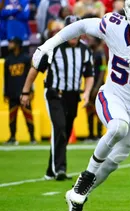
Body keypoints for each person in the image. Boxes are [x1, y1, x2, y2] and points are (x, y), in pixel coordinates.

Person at [30, 0, 130, 211]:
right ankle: (83, 181)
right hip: (111, 96)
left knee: (111, 164)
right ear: (129, 11)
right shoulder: (114, 25)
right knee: (119, 126)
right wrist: (47, 46)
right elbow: (79, 27)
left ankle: (78, 198)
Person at [21, 16, 94, 181]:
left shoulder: (85, 50)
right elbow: (35, 69)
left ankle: (50, 170)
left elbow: (89, 75)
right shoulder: (53, 47)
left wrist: (87, 93)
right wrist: (25, 91)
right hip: (55, 93)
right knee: (59, 128)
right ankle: (60, 169)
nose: (74, 35)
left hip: (73, 95)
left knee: (65, 133)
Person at [3, 37, 35, 145]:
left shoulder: (26, 59)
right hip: (12, 93)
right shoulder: (8, 60)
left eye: (11, 43)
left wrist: (31, 91)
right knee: (11, 117)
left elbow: (31, 76)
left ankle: (32, 137)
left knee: (29, 116)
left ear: (17, 44)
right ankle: (12, 137)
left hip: (24, 94)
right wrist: (5, 93)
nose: (9, 44)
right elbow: (5, 78)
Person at [85, 34, 106, 142]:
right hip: (90, 85)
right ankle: (90, 134)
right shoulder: (89, 52)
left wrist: (97, 87)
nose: (89, 41)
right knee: (89, 110)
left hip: (98, 85)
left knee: (98, 111)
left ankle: (99, 134)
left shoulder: (100, 53)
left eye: (92, 39)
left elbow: (103, 70)